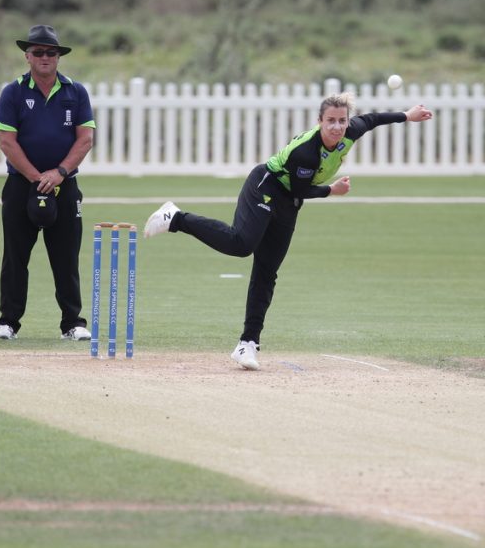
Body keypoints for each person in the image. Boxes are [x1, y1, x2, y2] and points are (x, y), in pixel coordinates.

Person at [143, 90, 434, 370]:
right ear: (319, 121)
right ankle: (176, 218)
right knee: (241, 244)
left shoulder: (350, 131)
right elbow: (301, 189)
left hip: (289, 203)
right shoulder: (306, 153)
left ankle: (247, 343)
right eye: (330, 121)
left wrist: (406, 115)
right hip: (266, 187)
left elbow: (372, 119)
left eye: (342, 121)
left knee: (267, 271)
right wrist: (331, 190)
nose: (336, 127)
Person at [0, 25, 96, 341]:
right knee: (15, 256)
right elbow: (7, 141)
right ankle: (8, 322)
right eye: (38, 52)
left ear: (58, 56)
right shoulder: (14, 92)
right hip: (21, 185)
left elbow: (85, 139)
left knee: (66, 257)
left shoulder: (76, 92)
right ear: (27, 56)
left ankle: (73, 323)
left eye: (51, 52)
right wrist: (37, 177)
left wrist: (59, 173)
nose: (45, 57)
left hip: (64, 185)